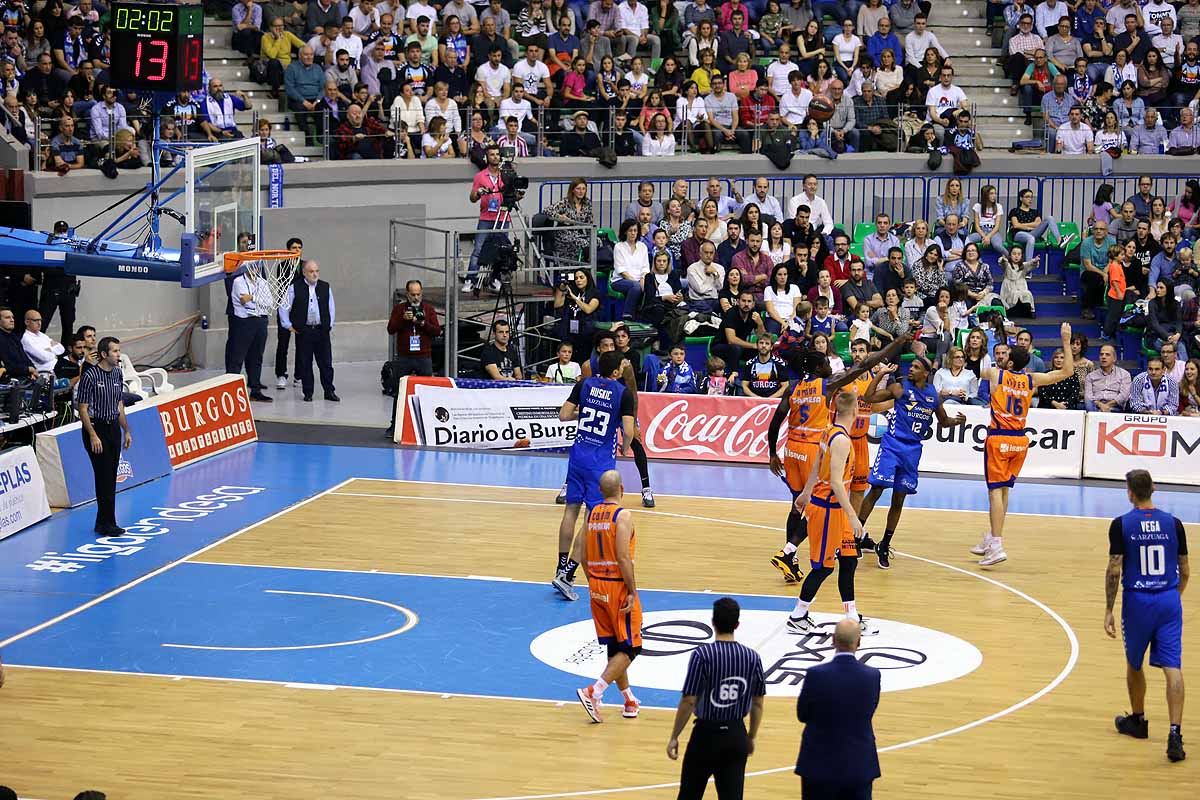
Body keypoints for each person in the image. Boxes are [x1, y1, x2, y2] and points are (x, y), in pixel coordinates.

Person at [767, 334, 911, 583]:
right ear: (816, 368)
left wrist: (771, 452)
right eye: (824, 363)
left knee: (797, 505)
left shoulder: (793, 387)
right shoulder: (827, 384)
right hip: (813, 450)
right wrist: (897, 343)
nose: (828, 366)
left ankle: (791, 558)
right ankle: (789, 551)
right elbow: (864, 364)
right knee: (816, 506)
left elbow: (775, 421)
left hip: (791, 450)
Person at [971, 322, 1074, 567]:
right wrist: (1066, 341)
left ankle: (996, 544)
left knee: (994, 491)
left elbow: (976, 364)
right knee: (1004, 490)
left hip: (999, 437)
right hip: (1019, 441)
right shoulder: (1031, 380)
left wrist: (992, 337)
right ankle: (991, 537)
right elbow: (1067, 371)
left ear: (1008, 363)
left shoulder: (998, 374)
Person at [857, 342, 967, 569]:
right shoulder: (900, 388)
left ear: (926, 374)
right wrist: (881, 374)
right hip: (892, 446)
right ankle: (854, 536)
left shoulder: (933, 396)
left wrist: (957, 421)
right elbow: (868, 397)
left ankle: (884, 544)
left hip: (912, 450)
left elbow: (944, 422)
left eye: (916, 367)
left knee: (899, 498)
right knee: (876, 489)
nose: (911, 369)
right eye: (912, 366)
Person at [1105, 469, 1188, 763]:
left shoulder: (1121, 524)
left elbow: (1115, 568)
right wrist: (1172, 598)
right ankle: (1175, 733)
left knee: (1134, 661)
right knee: (1173, 667)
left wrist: (1108, 610)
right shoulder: (1174, 524)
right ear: (1153, 488)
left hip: (1137, 601)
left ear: (1130, 493)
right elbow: (1185, 570)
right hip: (1168, 599)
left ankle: (1138, 721)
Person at [552, 350, 636, 601]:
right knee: (592, 518)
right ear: (616, 372)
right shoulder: (623, 393)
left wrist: (583, 412)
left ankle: (559, 566)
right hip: (600, 463)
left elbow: (564, 415)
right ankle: (567, 574)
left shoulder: (584, 384)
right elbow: (629, 430)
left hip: (577, 456)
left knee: (570, 512)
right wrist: (624, 446)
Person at [786, 391, 871, 634]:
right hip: (827, 509)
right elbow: (835, 482)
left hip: (835, 508)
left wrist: (804, 492)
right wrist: (854, 516)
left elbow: (816, 464)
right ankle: (798, 615)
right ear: (855, 412)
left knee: (849, 560)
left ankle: (852, 616)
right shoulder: (842, 440)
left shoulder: (828, 430)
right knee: (824, 567)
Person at [668, 597, 766, 800]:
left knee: (689, 795)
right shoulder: (752, 657)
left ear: (713, 622)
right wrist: (751, 737)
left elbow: (689, 700)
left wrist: (674, 736)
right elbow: (758, 703)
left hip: (705, 735)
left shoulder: (702, 655)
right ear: (737, 625)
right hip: (736, 734)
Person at [574, 469, 643, 722]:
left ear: (601, 491)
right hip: (616, 587)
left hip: (596, 586)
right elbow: (623, 557)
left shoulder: (592, 515)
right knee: (632, 647)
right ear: (622, 490)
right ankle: (594, 691)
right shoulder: (622, 515)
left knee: (615, 646)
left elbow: (581, 555)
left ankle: (629, 700)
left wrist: (593, 582)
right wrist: (632, 592)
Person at [794, 616, 882, 799]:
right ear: (859, 642)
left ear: (833, 640)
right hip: (858, 764)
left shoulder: (815, 675)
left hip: (818, 764)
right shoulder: (872, 676)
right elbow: (869, 712)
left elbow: (802, 714)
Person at [76, 336, 132, 536]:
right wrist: (92, 435)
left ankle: (104, 521)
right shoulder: (90, 376)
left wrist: (126, 430)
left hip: (113, 429)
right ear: (104, 354)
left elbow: (119, 404)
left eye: (119, 350)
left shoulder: (118, 374)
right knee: (103, 477)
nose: (119, 354)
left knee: (111, 475)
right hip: (95, 429)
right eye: (115, 351)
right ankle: (107, 523)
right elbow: (82, 408)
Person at [278, 260, 338, 402]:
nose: (315, 274)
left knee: (326, 364)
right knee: (305, 363)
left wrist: (329, 324)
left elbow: (331, 307)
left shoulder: (325, 287)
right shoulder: (294, 288)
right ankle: (308, 392)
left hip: (321, 331)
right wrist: (288, 325)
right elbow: (284, 306)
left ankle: (329, 391)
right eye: (311, 271)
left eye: (317, 271)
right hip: (304, 331)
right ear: (304, 273)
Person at [465, 144, 511, 293]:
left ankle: (494, 279)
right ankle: (470, 280)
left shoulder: (505, 175)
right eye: (492, 154)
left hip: (503, 216)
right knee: (478, 249)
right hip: (486, 216)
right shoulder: (480, 176)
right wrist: (478, 192)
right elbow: (472, 198)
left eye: (497, 154)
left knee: (501, 249)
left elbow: (512, 194)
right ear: (487, 157)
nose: (495, 157)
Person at [227, 264, 274, 403]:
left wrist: (253, 298)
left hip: (260, 321)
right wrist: (258, 300)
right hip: (244, 322)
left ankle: (255, 390)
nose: (255, 269)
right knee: (237, 357)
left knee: (256, 357)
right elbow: (244, 303)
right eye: (252, 267)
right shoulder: (238, 282)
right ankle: (231, 392)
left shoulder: (263, 282)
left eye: (257, 266)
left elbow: (269, 302)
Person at [274, 237, 304, 390]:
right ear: (288, 250)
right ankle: (281, 374)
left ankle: (299, 375)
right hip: (285, 309)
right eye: (294, 247)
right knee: (283, 344)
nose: (297, 250)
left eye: (299, 247)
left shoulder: (305, 266)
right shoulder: (281, 267)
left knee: (302, 345)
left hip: (300, 312)